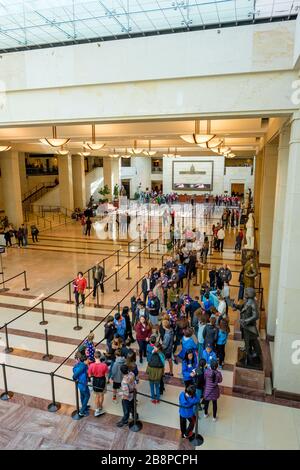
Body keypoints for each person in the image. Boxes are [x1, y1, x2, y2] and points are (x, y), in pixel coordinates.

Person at [88, 351, 108, 416]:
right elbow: (106, 374)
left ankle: (97, 409)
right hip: (102, 380)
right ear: (100, 357)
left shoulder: (91, 365)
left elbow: (89, 375)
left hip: (95, 380)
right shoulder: (104, 365)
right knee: (101, 395)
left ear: (94, 357)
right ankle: (100, 407)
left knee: (96, 396)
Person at [72, 352, 90, 417]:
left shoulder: (82, 364)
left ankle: (84, 406)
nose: (89, 361)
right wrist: (74, 378)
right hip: (82, 384)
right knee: (87, 395)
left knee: (83, 395)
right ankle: (82, 411)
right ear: (85, 360)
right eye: (88, 360)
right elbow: (75, 375)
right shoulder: (83, 366)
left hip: (81, 383)